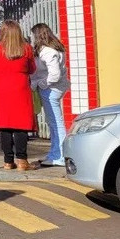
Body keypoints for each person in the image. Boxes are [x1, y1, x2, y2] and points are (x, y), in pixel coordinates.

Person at [0, 20, 37, 172]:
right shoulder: (26, 48)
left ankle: (8, 161)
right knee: (20, 125)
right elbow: (32, 69)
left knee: (5, 126)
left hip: (1, 87)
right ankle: (22, 160)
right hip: (20, 87)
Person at [30, 23, 71, 167]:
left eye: (33, 35)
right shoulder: (55, 48)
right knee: (53, 123)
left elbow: (54, 75)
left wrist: (39, 84)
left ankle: (59, 155)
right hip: (54, 88)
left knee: (55, 123)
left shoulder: (48, 51)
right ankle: (55, 153)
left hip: (51, 89)